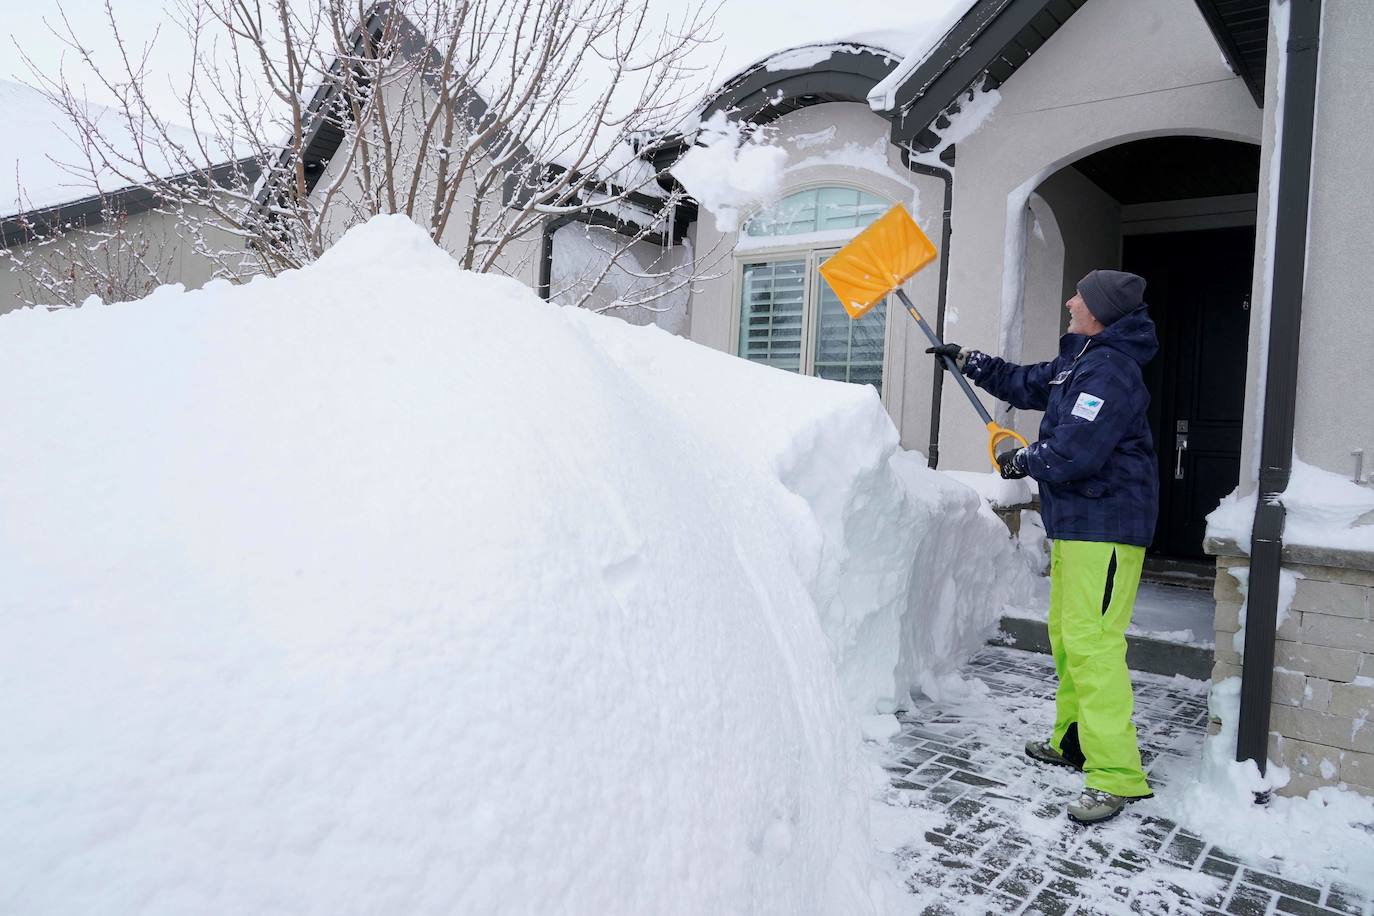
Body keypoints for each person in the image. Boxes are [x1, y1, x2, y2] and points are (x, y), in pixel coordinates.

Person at [928, 269, 1159, 825]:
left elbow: (1075, 451)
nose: (1068, 299)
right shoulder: (1081, 358)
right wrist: (973, 362)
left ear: (1100, 310)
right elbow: (1029, 382)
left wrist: (1023, 459)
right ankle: (1075, 740)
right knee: (1068, 637)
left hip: (1107, 528)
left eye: (1080, 295)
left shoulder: (1112, 373)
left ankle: (1117, 774)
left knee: (1094, 644)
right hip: (1079, 525)